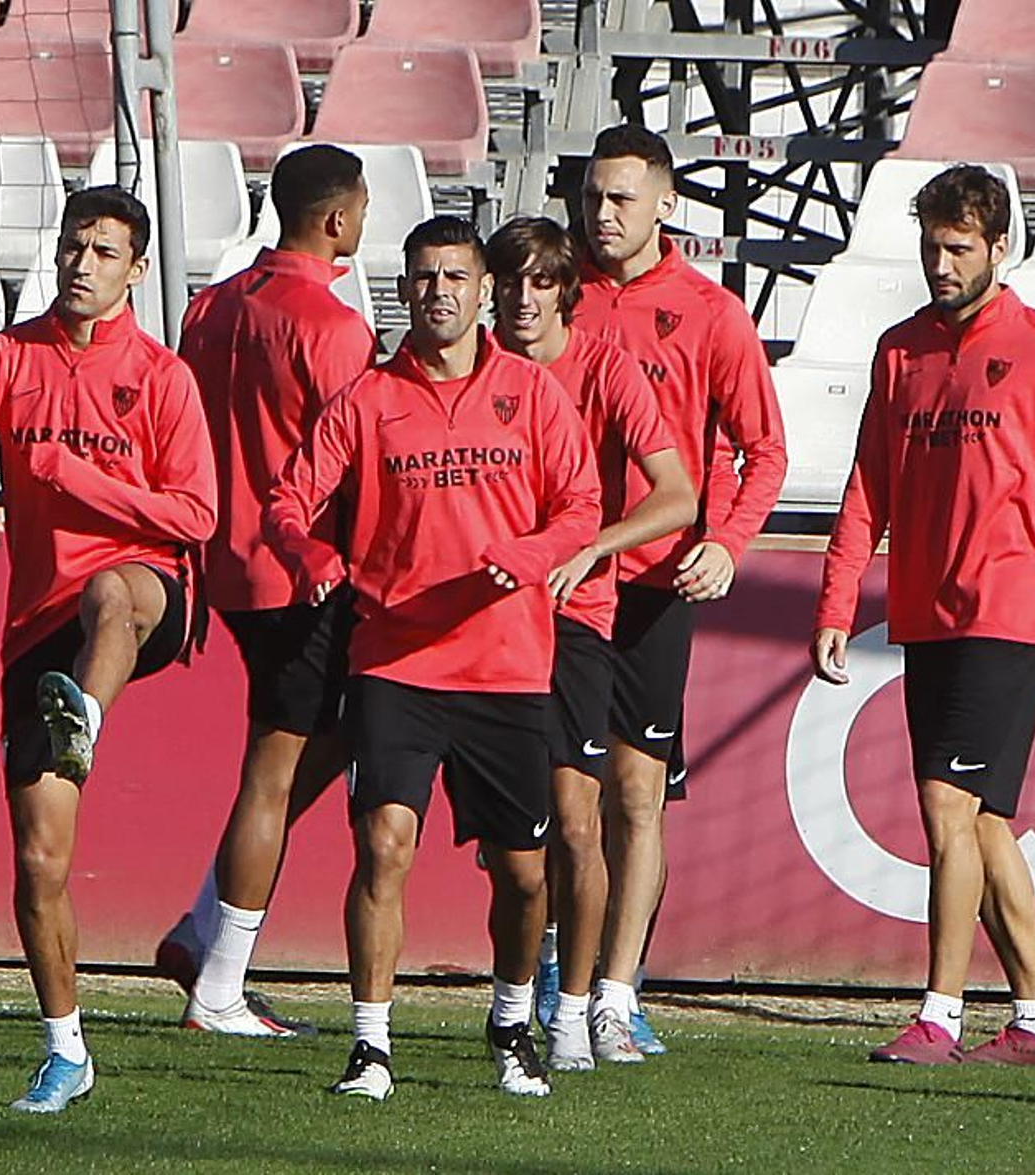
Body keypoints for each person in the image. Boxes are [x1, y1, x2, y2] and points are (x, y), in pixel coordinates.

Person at [811, 164, 1035, 1066]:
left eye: (959, 247)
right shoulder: (900, 350)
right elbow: (868, 484)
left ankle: (940, 1011)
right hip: (925, 615)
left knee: (943, 806)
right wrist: (837, 594)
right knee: (978, 824)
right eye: (931, 245)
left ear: (1001, 248)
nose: (940, 263)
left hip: (1012, 614)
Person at [265, 216, 602, 1100]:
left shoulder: (531, 394)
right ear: (402, 290)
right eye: (422, 278)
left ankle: (510, 1022)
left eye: (455, 276)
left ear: (484, 289)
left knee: (525, 873)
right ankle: (370, 1046)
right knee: (384, 842)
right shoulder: (367, 401)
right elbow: (286, 503)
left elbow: (581, 506)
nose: (438, 292)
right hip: (395, 663)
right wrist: (314, 557)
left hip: (507, 666)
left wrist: (527, 560)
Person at [0, 186, 217, 1111]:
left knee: (109, 591)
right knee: (41, 862)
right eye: (73, 247)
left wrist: (78, 478)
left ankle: (83, 714)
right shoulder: (6, 359)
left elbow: (197, 514)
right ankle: (66, 1048)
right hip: (36, 628)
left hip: (147, 597)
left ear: (136, 268)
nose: (83, 265)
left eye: (104, 252)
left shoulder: (162, 379)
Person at [572, 124, 787, 1054]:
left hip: (656, 585)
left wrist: (730, 542)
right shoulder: (552, 300)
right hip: (565, 580)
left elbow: (764, 448)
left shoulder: (710, 311)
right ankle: (559, 973)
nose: (603, 214)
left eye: (621, 197)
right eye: (592, 196)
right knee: (563, 792)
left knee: (634, 793)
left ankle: (618, 994)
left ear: (666, 202)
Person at [156, 145, 376, 1038]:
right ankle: (219, 985)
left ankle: (203, 926)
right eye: (360, 208)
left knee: (328, 741)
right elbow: (360, 462)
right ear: (336, 219)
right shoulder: (333, 327)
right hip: (304, 571)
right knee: (275, 769)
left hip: (226, 562)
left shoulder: (207, 310)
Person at [486, 216, 695, 1070]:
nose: (523, 299)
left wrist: (594, 545)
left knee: (580, 821)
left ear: (567, 290)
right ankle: (517, 991)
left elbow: (677, 495)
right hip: (485, 618)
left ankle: (579, 1007)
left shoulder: (606, 368)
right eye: (511, 282)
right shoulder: (471, 367)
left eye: (541, 283)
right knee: (509, 830)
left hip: (578, 616)